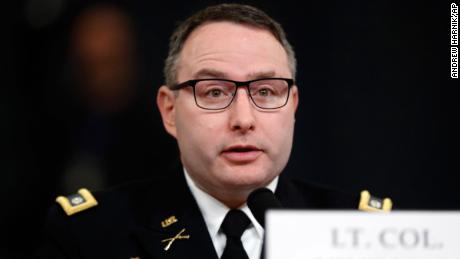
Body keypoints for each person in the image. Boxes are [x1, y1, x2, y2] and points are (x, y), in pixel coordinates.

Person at [36, 3, 391, 259]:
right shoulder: (90, 236)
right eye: (215, 93)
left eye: (265, 91)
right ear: (170, 111)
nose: (243, 119)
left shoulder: (363, 235)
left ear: (293, 106)